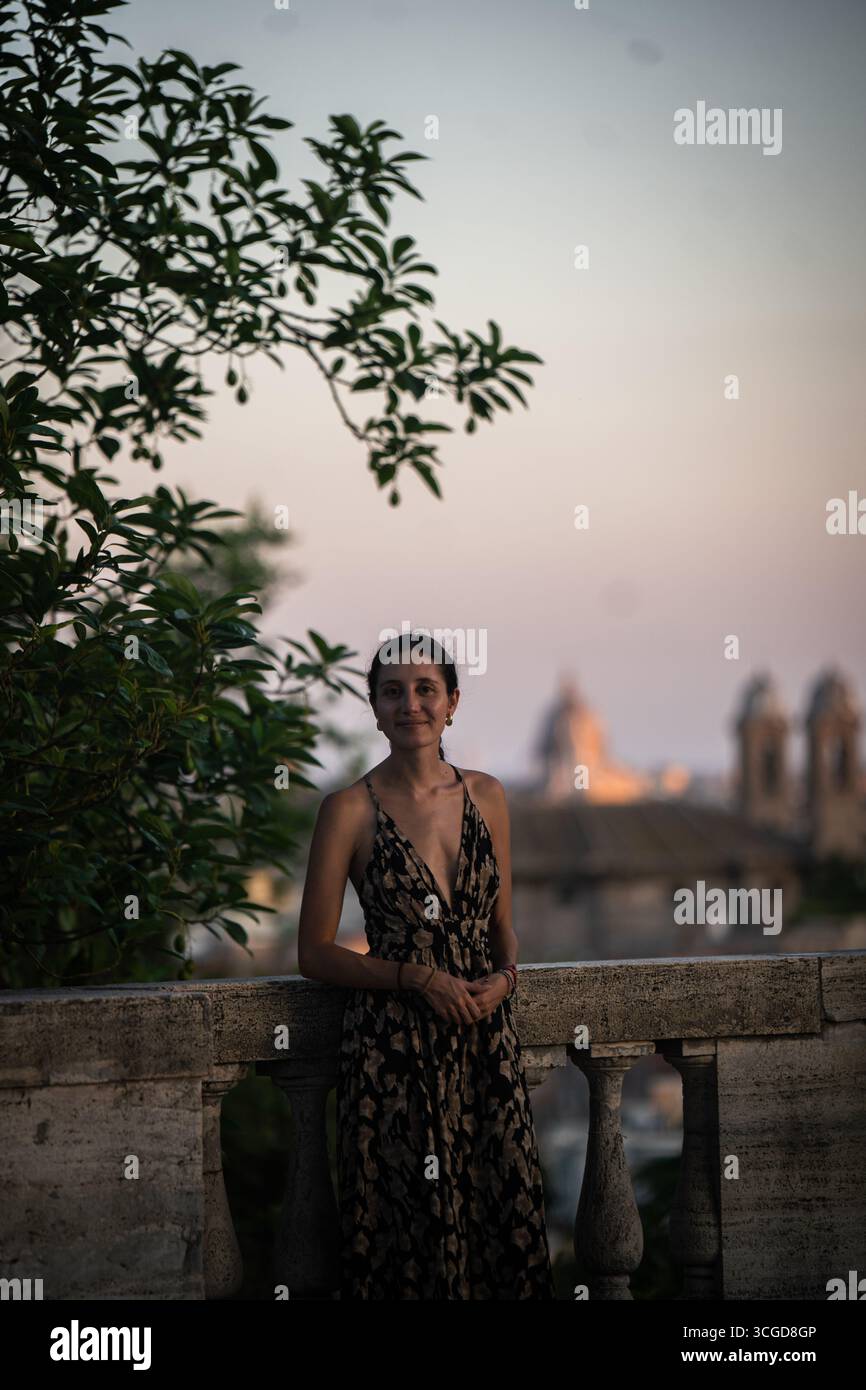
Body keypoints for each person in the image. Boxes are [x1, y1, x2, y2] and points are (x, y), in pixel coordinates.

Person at [297, 631, 556, 1299]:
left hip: (484, 1042)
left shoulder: (488, 797)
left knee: (503, 1220)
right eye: (392, 692)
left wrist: (504, 979)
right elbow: (314, 951)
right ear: (375, 708)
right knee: (405, 1235)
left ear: (452, 704)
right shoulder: (347, 810)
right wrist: (414, 977)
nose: (409, 703)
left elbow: (502, 929)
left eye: (424, 690)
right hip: (391, 1050)